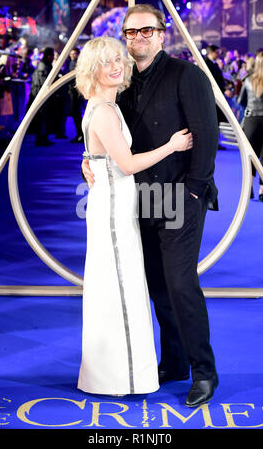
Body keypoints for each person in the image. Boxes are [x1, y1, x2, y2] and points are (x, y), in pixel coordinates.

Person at [82, 4, 219, 407]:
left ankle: (203, 372)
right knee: (157, 287)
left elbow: (206, 136)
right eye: (131, 32)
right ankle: (174, 362)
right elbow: (105, 139)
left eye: (146, 31)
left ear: (162, 34)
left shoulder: (186, 74)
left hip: (179, 197)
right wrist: (88, 161)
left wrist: (195, 191)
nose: (138, 38)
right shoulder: (121, 84)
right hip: (136, 201)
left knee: (180, 285)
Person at [76, 36, 193, 396]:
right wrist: (171, 146)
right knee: (121, 288)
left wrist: (89, 160)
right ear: (92, 68)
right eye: (107, 61)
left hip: (114, 203)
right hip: (113, 208)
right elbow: (126, 165)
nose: (116, 66)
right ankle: (122, 377)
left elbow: (102, 156)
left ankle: (117, 373)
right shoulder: (105, 110)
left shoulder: (103, 106)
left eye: (117, 60)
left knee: (117, 286)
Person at [238, 51, 263, 202]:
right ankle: (262, 191)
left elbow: (240, 101)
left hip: (251, 121)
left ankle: (249, 188)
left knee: (250, 156)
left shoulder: (248, 80)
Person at [27, 47, 55, 146]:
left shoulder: (44, 65)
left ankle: (43, 137)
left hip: (40, 95)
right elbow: (42, 82)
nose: (53, 58)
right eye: (52, 56)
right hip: (40, 95)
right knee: (42, 118)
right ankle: (41, 138)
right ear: (48, 56)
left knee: (43, 118)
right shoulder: (43, 66)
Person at [69, 47, 85, 143]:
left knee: (77, 114)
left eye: (74, 54)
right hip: (72, 91)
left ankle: (81, 134)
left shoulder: (79, 64)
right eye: (71, 54)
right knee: (75, 114)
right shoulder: (71, 63)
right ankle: (79, 133)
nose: (72, 55)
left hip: (77, 92)